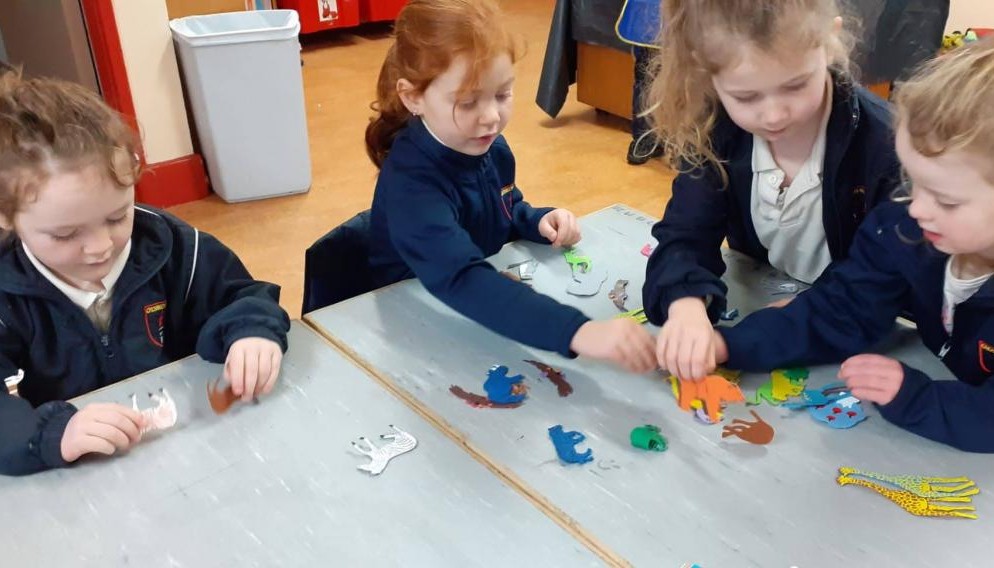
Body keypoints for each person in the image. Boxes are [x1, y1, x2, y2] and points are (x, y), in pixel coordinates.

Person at [0, 71, 290, 475]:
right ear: (6, 217)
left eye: (118, 216)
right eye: (66, 234)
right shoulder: (7, 292)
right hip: (83, 477)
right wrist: (49, 434)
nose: (100, 246)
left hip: (192, 456)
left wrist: (253, 332)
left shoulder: (173, 246)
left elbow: (240, 296)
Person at [715, 38, 994, 452]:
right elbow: (841, 311)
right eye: (913, 183)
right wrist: (729, 344)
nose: (916, 208)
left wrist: (913, 397)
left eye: (946, 200)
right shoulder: (904, 230)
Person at [364, 0, 656, 372]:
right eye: (468, 102)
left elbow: (501, 207)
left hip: (478, 313)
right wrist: (578, 331)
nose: (491, 117)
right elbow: (460, 277)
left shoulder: (489, 146)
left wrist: (534, 220)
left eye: (502, 95)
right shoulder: (412, 183)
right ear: (413, 97)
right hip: (419, 323)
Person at [642, 0, 901, 380]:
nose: (774, 115)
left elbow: (869, 294)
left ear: (829, 41)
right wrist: (685, 304)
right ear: (704, 69)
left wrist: (730, 344)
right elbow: (686, 233)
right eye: (746, 97)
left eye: (796, 85)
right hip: (771, 300)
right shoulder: (715, 128)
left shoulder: (888, 150)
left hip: (858, 341)